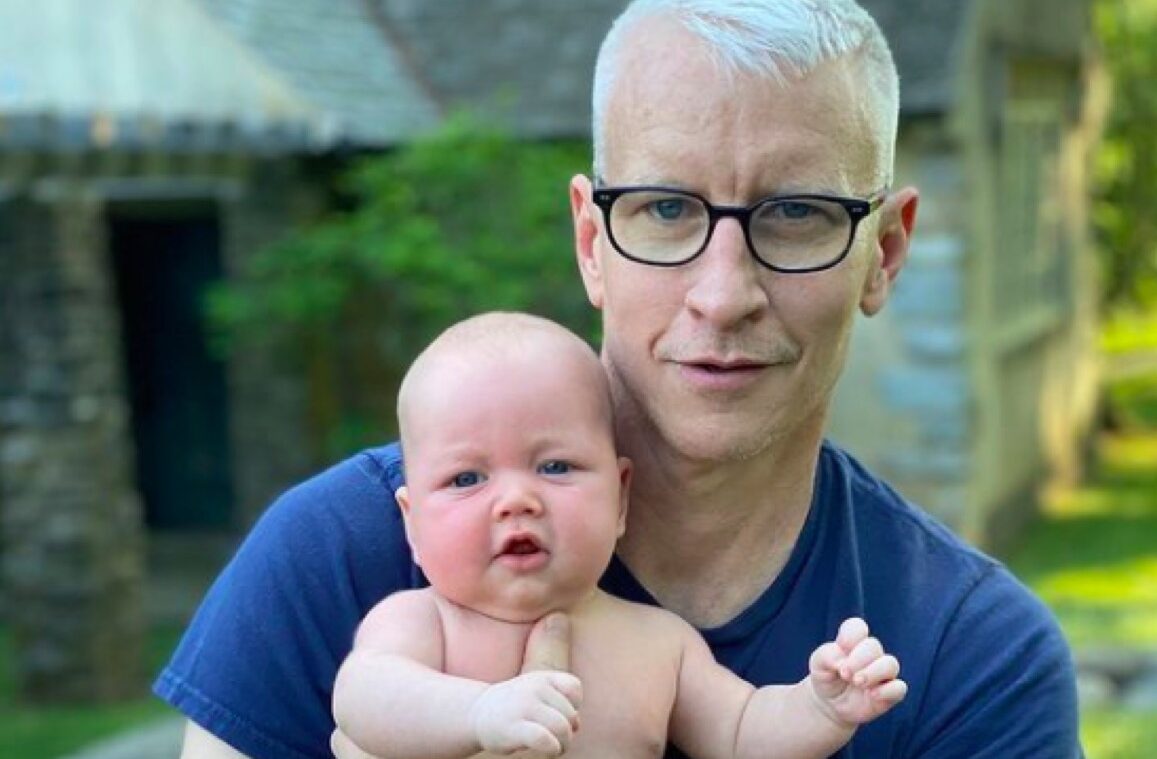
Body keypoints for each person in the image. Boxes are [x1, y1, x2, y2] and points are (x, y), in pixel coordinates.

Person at [158, 2, 1083, 757]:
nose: (723, 295)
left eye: (797, 212)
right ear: (591, 241)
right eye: (667, 208)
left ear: (882, 253)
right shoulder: (337, 556)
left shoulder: (966, 658)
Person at [332, 311, 906, 759]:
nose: (516, 501)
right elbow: (365, 699)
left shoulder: (659, 643)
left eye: (555, 467)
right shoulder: (422, 622)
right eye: (466, 478)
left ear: (621, 498)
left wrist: (821, 708)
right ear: (411, 522)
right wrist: (481, 712)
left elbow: (742, 731)